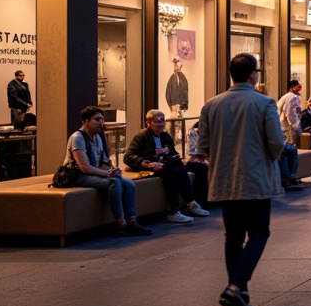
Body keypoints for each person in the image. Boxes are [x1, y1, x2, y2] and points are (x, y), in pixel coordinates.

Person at [197, 54, 286, 306]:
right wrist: (268, 158)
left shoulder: (211, 105)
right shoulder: (264, 102)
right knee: (259, 232)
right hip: (256, 178)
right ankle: (236, 284)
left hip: (224, 180)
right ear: (253, 75)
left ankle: (241, 294)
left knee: (233, 237)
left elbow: (202, 146)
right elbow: (277, 142)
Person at [63, 106, 152, 236]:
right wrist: (108, 174)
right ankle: (120, 223)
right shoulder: (78, 138)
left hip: (94, 172)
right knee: (114, 183)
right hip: (77, 175)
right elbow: (85, 167)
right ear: (85, 121)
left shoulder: (98, 137)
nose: (101, 123)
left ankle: (132, 221)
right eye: (97, 119)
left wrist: (112, 170)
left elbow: (103, 162)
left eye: (102, 119)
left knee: (129, 184)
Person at [126, 108, 209, 223]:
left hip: (166, 164)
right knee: (173, 171)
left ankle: (198, 202)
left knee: (200, 167)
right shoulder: (141, 136)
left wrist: (171, 155)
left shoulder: (165, 135)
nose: (161, 124)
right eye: (157, 121)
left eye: (163, 121)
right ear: (149, 123)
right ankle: (184, 206)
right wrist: (149, 164)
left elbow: (173, 152)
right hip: (151, 166)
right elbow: (129, 156)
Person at [165, 57, 190, 138]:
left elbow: (184, 92)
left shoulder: (182, 80)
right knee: (174, 120)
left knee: (179, 120)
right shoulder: (172, 79)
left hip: (179, 106)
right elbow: (168, 93)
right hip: (175, 106)